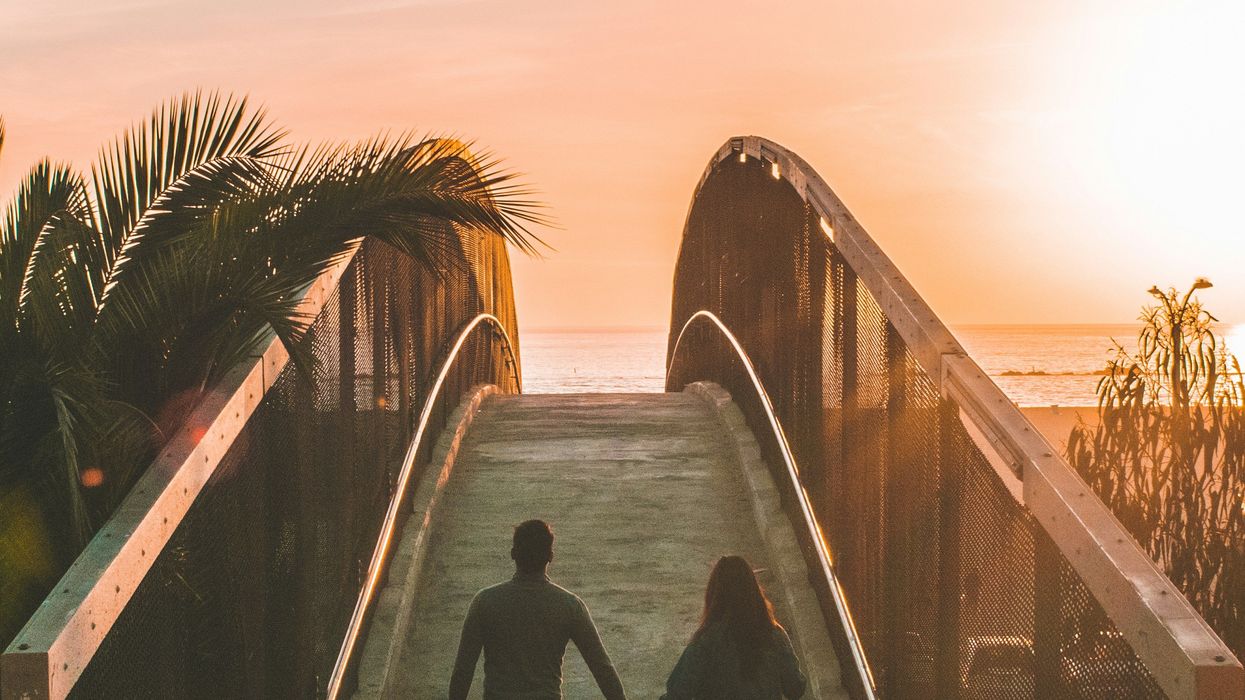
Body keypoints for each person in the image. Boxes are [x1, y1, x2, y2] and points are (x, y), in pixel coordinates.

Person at [449, 519, 627, 699]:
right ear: (550, 556)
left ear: (513, 554)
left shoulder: (485, 602)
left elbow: (462, 672)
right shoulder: (569, 605)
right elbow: (603, 670)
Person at [661, 555, 806, 699]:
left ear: (715, 595)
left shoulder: (706, 640)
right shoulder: (775, 635)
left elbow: (678, 691)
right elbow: (795, 689)